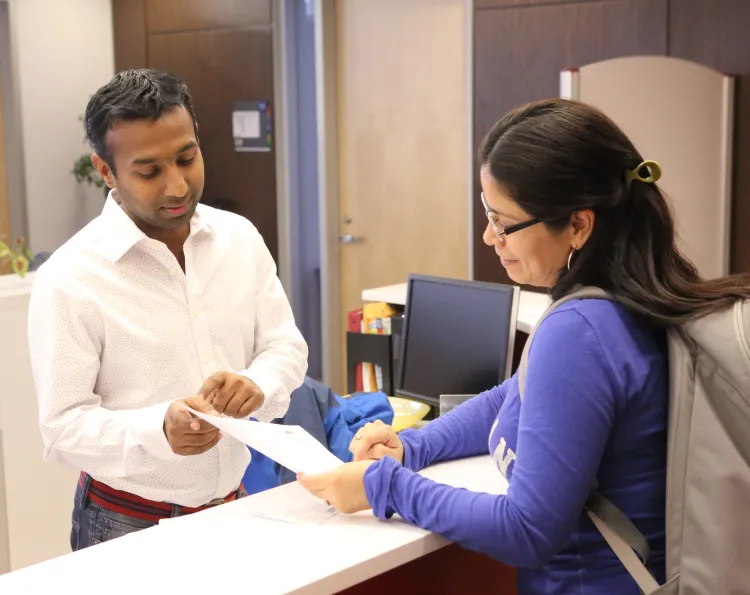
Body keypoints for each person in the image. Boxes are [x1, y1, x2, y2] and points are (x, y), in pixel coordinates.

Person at [298, 98, 750, 594]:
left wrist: (381, 487)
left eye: (503, 221)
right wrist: (411, 446)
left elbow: (527, 529)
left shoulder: (580, 330)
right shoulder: (643, 296)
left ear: (578, 224)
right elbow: (515, 394)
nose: (490, 238)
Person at [28, 69, 308, 550]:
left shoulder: (239, 239)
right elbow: (61, 427)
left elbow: (285, 346)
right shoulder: (71, 278)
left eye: (187, 158)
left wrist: (257, 385)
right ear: (105, 170)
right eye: (149, 171)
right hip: (126, 526)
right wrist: (157, 429)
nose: (177, 187)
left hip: (237, 507)